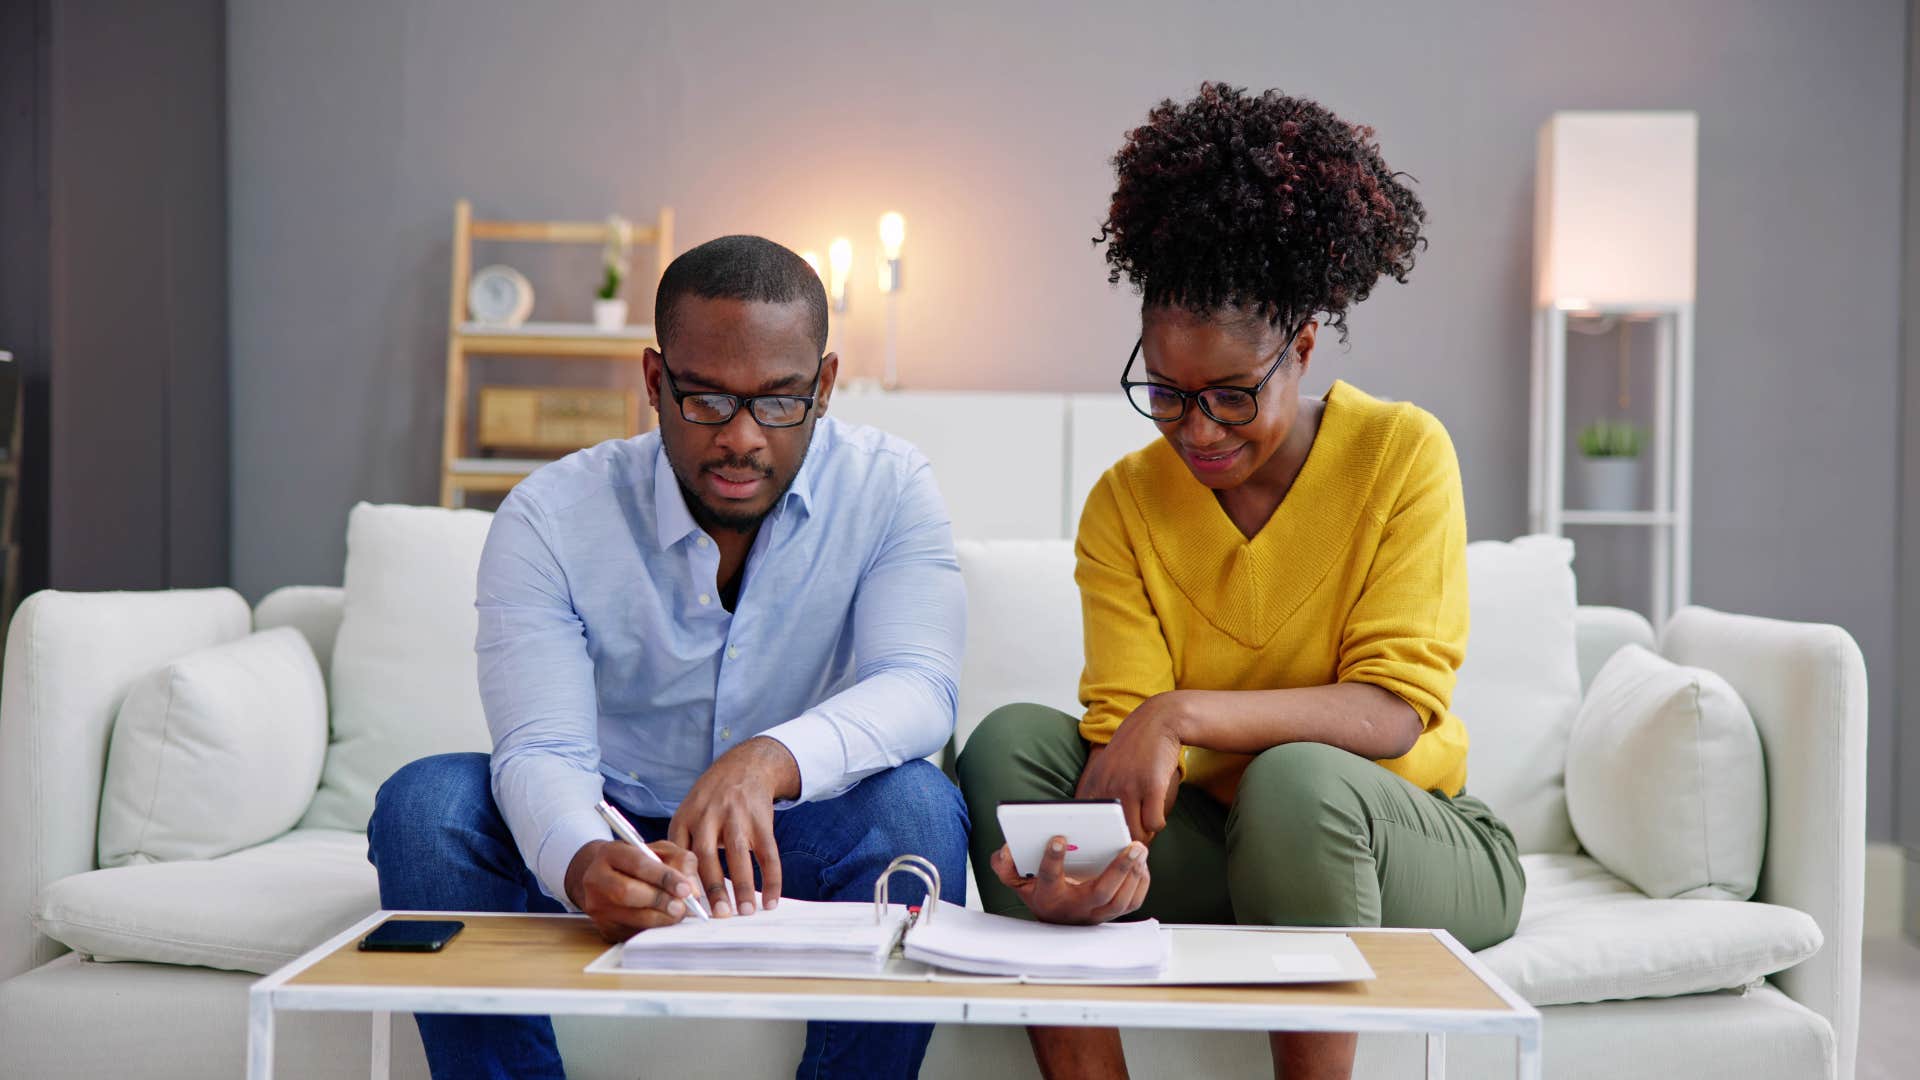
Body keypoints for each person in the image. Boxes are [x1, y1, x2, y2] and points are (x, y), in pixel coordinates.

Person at [956, 84, 1525, 1080]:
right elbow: (1122, 734)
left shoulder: (1401, 453)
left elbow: (1393, 715)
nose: (1198, 431)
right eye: (1168, 395)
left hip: (1389, 839)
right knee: (1008, 747)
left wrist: (1180, 716)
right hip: (1219, 847)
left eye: (1231, 396)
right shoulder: (1125, 504)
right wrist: (1106, 848)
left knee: (1295, 782)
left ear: (1300, 347)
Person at [368, 234, 970, 1080]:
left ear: (825, 387)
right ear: (655, 382)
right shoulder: (550, 515)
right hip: (611, 822)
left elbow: (920, 686)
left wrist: (769, 760)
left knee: (917, 807)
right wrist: (580, 860)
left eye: (780, 401)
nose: (742, 439)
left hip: (785, 835)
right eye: (707, 400)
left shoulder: (891, 487)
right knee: (425, 805)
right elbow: (542, 748)